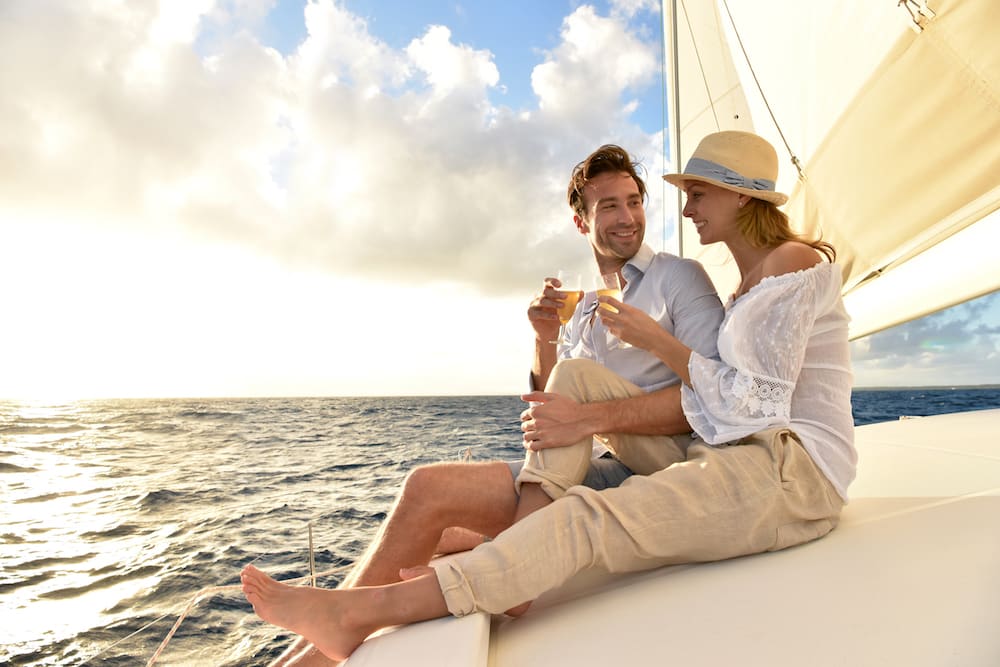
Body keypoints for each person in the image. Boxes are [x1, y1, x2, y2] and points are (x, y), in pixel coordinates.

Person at [242, 130, 855, 663]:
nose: (677, 208)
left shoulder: (738, 271)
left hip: (771, 463)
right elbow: (549, 410)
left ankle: (395, 600)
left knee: (565, 517)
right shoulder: (607, 304)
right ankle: (340, 635)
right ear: (581, 220)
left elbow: (742, 403)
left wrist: (647, 351)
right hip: (672, 454)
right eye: (611, 205)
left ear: (739, 195)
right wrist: (542, 342)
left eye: (685, 194)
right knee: (435, 486)